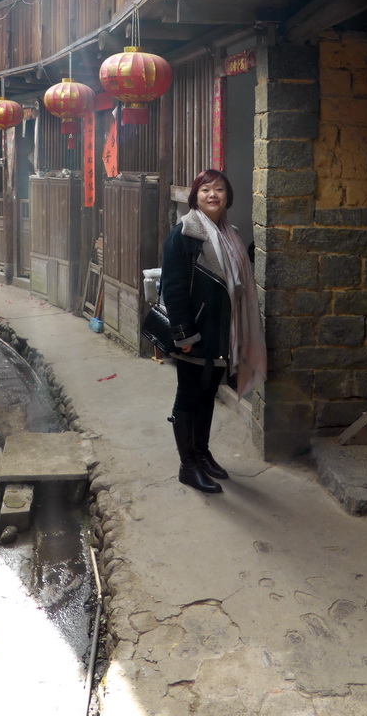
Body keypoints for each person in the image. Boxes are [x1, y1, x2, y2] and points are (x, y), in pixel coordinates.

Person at [160, 169, 267, 494]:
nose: (213, 195)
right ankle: (187, 466)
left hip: (221, 332)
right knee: (188, 397)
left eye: (219, 189)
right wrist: (185, 335)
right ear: (195, 196)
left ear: (227, 196)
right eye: (206, 189)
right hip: (195, 335)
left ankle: (202, 454)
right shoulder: (185, 234)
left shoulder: (230, 233)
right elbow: (174, 288)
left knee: (207, 396)